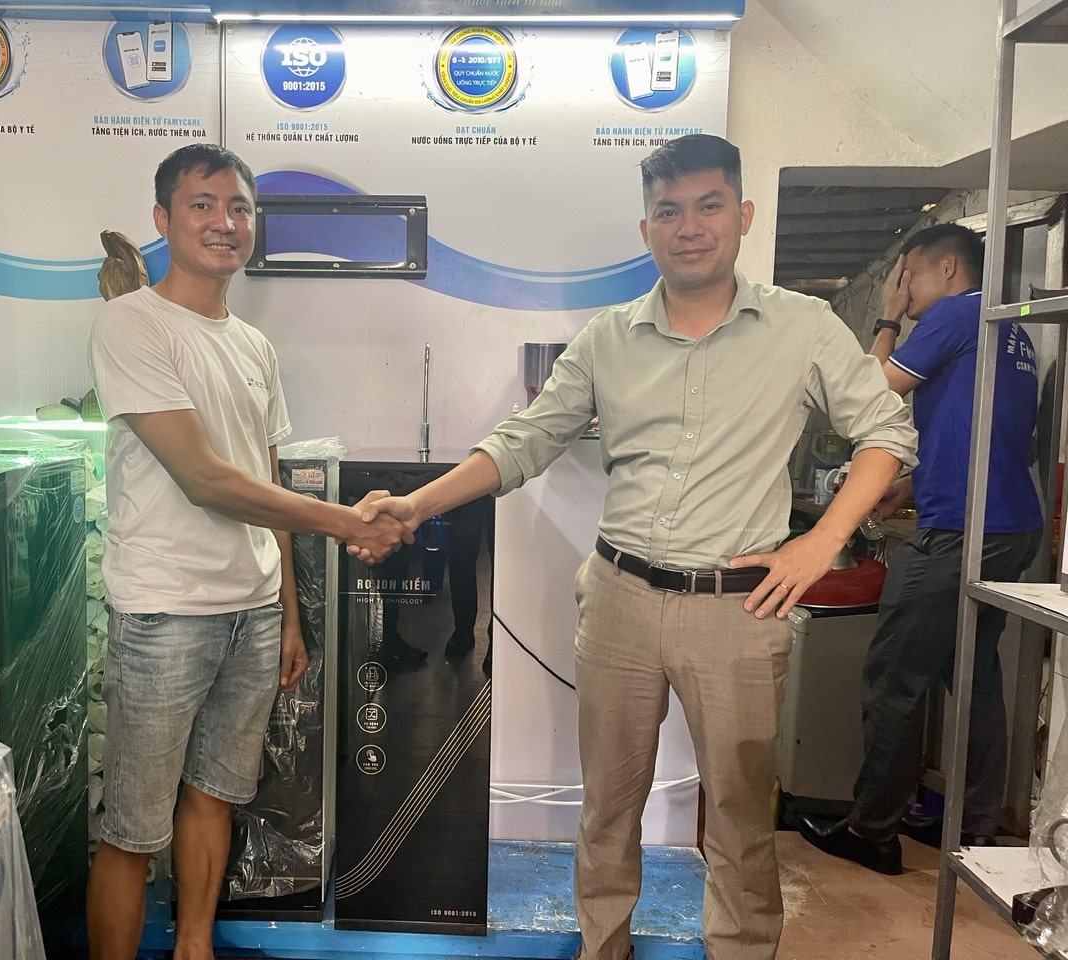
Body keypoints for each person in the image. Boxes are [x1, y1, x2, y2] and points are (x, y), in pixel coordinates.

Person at [356, 134, 917, 960]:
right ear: (647, 227)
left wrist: (820, 543)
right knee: (608, 808)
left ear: (742, 215)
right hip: (619, 599)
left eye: (708, 206)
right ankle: (604, 946)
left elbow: (886, 433)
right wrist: (414, 503)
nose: (690, 227)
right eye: (669, 211)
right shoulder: (608, 338)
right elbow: (524, 441)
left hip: (737, 610)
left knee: (738, 817)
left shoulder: (803, 327)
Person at [85, 143, 409, 960]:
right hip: (164, 612)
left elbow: (265, 483)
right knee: (132, 828)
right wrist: (344, 522)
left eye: (238, 208)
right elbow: (204, 479)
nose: (223, 222)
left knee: (215, 798)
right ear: (163, 219)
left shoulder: (254, 346)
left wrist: (288, 614)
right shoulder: (131, 323)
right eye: (202, 205)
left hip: (254, 615)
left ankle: (195, 947)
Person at [799, 223, 1042, 873]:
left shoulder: (956, 315)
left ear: (948, 269)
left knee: (893, 679)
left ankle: (872, 829)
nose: (902, 286)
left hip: (958, 530)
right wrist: (908, 483)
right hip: (1010, 525)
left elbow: (867, 393)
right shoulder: (1009, 328)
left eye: (907, 273)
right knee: (973, 675)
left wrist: (887, 315)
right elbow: (988, 433)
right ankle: (976, 826)